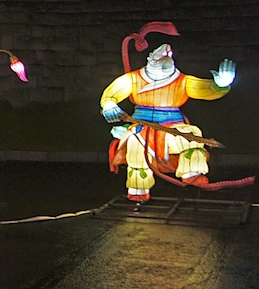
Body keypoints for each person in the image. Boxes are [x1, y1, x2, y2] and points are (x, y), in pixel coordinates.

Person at [100, 42, 235, 202]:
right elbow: (111, 94)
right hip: (142, 126)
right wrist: (109, 104)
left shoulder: (183, 81)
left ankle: (191, 174)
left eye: (169, 55)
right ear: (150, 58)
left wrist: (220, 85)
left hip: (173, 125)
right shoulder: (133, 79)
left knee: (192, 135)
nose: (165, 55)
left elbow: (204, 89)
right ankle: (138, 188)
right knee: (136, 150)